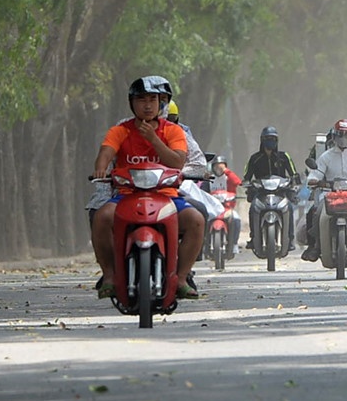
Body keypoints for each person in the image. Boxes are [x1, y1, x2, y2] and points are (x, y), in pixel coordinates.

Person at [90, 76, 205, 300]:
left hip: (167, 197)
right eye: (141, 99)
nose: (147, 105)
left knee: (197, 220)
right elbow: (105, 153)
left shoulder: (173, 131)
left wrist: (153, 139)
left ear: (162, 102)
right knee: (102, 217)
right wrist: (101, 169)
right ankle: (110, 276)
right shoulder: (120, 130)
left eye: (152, 99)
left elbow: (177, 162)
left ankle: (181, 278)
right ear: (131, 103)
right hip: (126, 196)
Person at [300, 119, 347, 261]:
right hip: (329, 193)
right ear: (334, 136)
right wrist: (313, 180)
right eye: (341, 135)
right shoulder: (325, 157)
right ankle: (315, 246)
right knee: (313, 214)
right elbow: (316, 173)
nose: (344, 139)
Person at [204, 154, 242, 251]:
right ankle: (204, 244)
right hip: (212, 209)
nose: (219, 168)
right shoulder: (209, 179)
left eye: (221, 166)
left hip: (227, 209)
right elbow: (203, 191)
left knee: (236, 219)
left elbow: (237, 182)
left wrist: (227, 171)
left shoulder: (228, 177)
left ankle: (234, 244)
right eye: (216, 166)